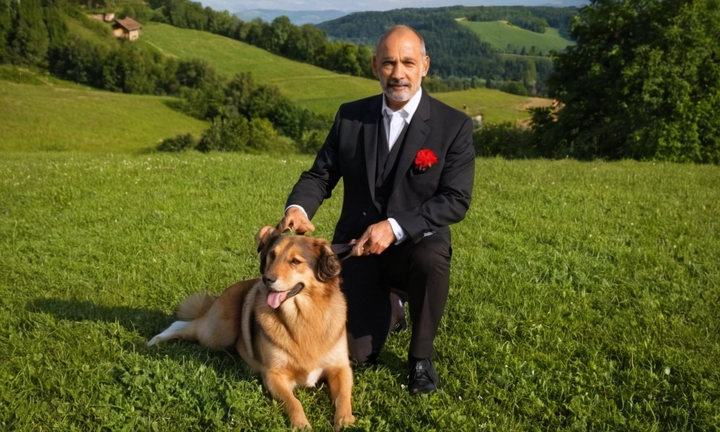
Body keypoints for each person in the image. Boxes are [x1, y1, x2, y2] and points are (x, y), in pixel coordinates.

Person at [277, 25, 475, 395]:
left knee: (432, 258)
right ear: (374, 67)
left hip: (414, 248)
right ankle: (391, 308)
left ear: (425, 66)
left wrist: (396, 226)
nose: (398, 73)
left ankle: (420, 357)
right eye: (388, 63)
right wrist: (299, 208)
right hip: (356, 250)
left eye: (407, 63)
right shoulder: (350, 117)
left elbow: (456, 199)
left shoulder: (454, 126)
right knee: (353, 353)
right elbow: (321, 174)